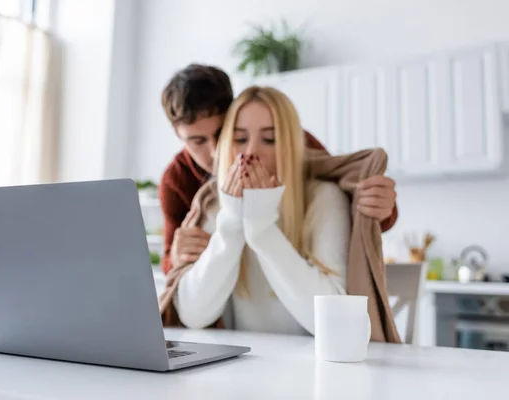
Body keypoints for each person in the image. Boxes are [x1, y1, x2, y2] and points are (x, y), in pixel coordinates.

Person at [161, 86, 391, 336]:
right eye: (239, 139)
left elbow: (333, 321)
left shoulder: (323, 198)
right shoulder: (214, 203)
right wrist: (233, 222)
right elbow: (193, 314)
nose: (250, 153)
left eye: (270, 139)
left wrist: (261, 229)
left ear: (290, 145)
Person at [159, 64, 398, 275]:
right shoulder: (176, 180)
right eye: (197, 141)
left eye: (223, 134)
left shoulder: (286, 142)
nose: (214, 151)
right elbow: (170, 266)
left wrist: (382, 208)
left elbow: (346, 188)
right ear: (178, 136)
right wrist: (175, 258)